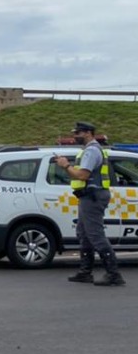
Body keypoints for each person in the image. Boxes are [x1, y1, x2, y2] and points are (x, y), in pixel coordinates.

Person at [54, 121, 126, 286]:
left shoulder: (92, 151)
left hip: (93, 196)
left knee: (95, 234)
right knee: (84, 233)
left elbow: (82, 175)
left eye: (77, 133)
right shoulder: (89, 150)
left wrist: (66, 166)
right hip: (88, 196)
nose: (74, 136)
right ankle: (85, 272)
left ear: (88, 133)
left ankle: (113, 274)